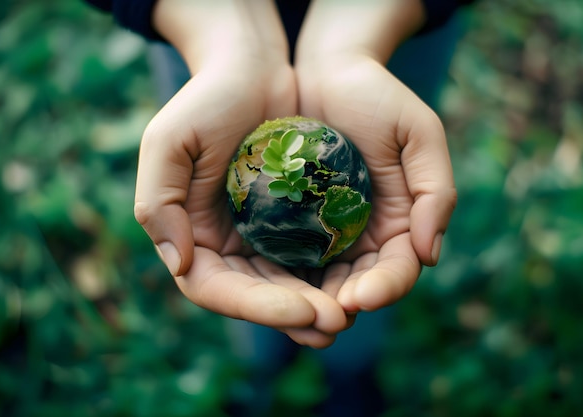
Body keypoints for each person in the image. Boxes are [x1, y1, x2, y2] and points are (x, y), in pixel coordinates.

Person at [84, 0, 470, 414]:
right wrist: (226, 34)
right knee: (238, 276)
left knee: (368, 280)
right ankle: (261, 364)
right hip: (202, 30)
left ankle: (349, 369)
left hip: (392, 29)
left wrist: (356, 32)